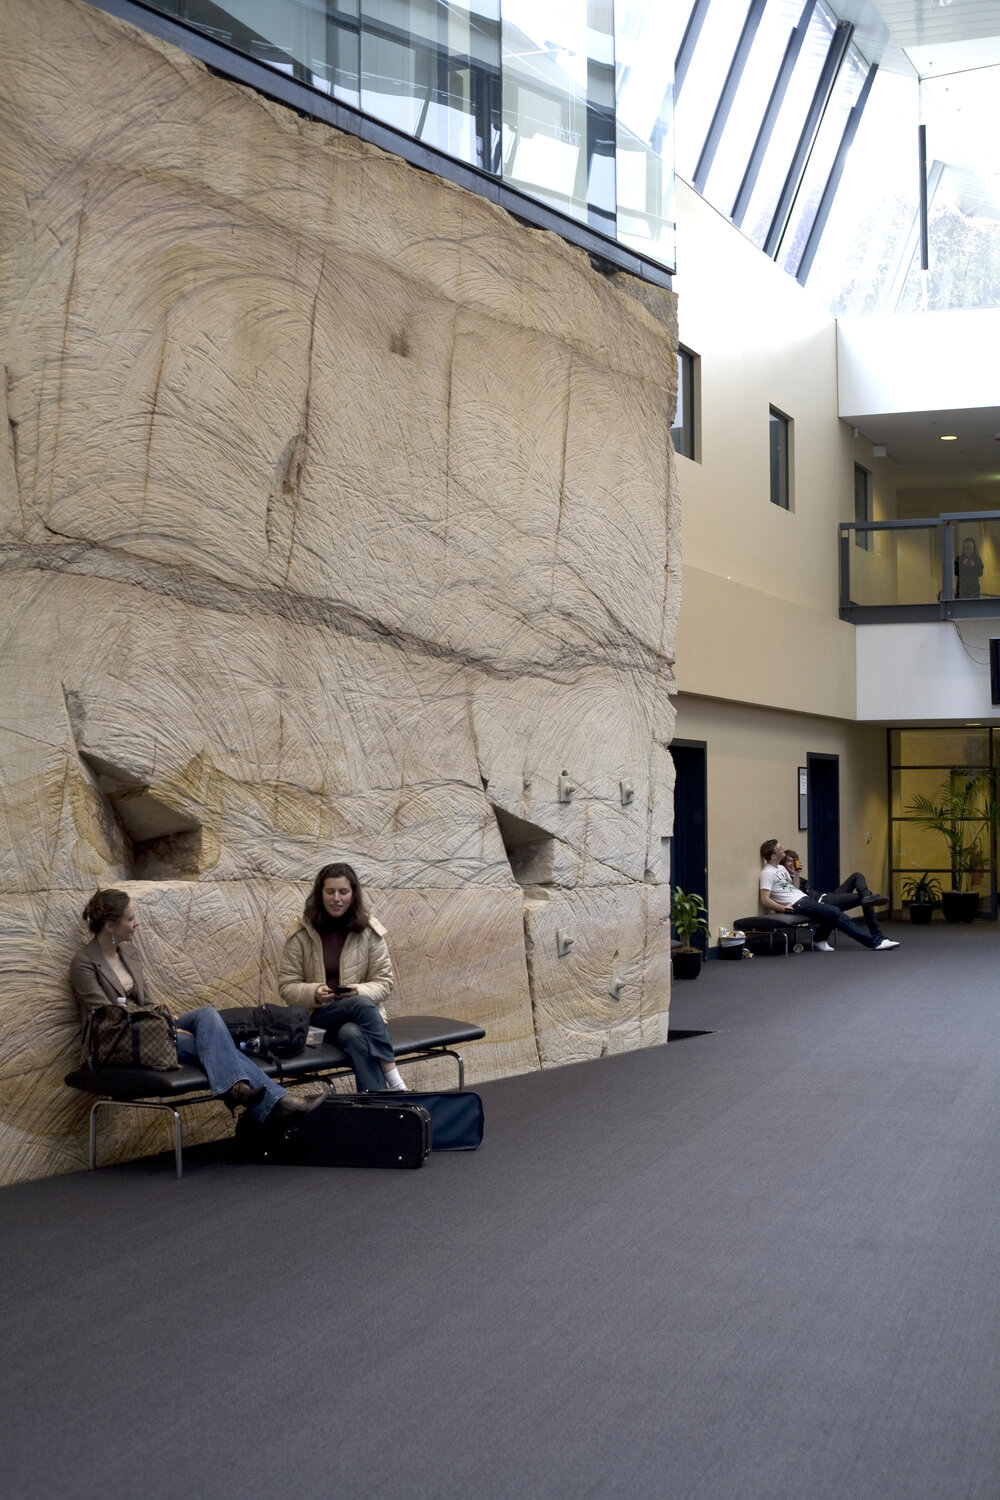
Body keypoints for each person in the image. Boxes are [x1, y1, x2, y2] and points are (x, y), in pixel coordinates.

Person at [70, 889, 318, 1122]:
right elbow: (107, 1015)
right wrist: (163, 1027)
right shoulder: (85, 963)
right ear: (110, 925)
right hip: (117, 1041)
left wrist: (164, 1021)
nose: (137, 923)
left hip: (149, 1027)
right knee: (207, 1045)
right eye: (130, 919)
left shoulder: (129, 953)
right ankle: (276, 1101)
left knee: (207, 1016)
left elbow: (146, 1001)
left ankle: (240, 1090)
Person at [278, 862, 408, 1092]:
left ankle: (378, 1111)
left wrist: (358, 989)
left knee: (353, 1034)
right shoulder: (301, 932)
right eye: (330, 891)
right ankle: (396, 1080)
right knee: (358, 1003)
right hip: (317, 1020)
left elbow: (384, 983)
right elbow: (287, 986)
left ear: (353, 895)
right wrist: (314, 992)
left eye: (343, 892)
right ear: (320, 894)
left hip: (360, 1022)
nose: (336, 898)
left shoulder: (369, 931)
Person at [759, 840, 899, 951]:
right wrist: (784, 908)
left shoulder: (781, 869)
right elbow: (765, 899)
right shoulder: (767, 873)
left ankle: (820, 939)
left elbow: (794, 889)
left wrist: (795, 874)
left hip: (804, 898)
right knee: (834, 911)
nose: (783, 849)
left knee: (833, 911)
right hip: (798, 904)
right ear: (773, 855)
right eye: (780, 848)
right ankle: (874, 942)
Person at [781, 849, 889, 941]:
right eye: (789, 861)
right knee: (863, 898)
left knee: (857, 876)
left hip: (827, 896)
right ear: (783, 864)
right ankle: (877, 935)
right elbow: (793, 893)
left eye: (795, 861)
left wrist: (796, 873)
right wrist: (795, 873)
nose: (792, 863)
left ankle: (867, 897)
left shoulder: (796, 876)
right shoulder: (783, 879)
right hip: (821, 902)